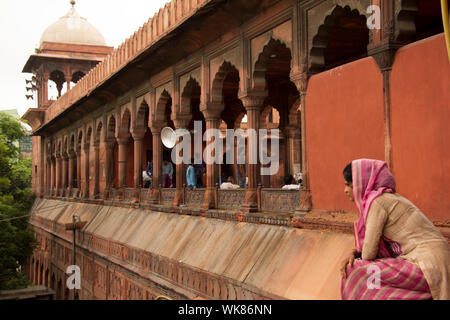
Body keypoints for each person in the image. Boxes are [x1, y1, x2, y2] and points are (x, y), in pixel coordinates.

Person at [340, 159, 449, 300]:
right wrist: (355, 252)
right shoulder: (388, 198)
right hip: (437, 262)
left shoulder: (377, 202)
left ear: (361, 184)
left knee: (355, 270)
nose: (345, 190)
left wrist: (357, 256)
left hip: (427, 265)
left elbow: (368, 253)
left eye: (349, 185)